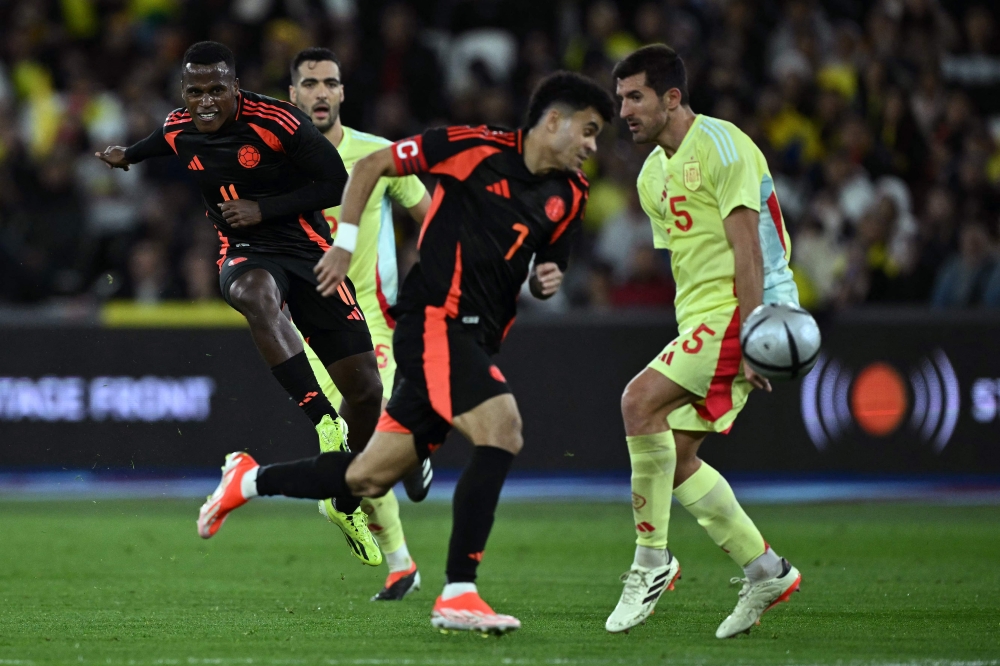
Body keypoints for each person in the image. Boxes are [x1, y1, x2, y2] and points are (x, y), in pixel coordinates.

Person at [197, 71, 615, 634]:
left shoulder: (572, 193)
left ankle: (247, 481)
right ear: (554, 121)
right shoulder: (472, 146)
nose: (592, 146)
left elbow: (552, 260)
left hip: (478, 334)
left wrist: (549, 276)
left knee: (368, 477)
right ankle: (459, 593)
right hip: (435, 323)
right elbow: (372, 167)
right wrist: (343, 243)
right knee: (502, 429)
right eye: (588, 131)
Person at [95, 41, 383, 566]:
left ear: (236, 87)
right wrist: (126, 156)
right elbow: (161, 140)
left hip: (308, 250)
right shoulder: (181, 125)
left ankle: (343, 504)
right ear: (184, 91)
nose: (204, 101)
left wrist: (264, 207)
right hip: (244, 252)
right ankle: (322, 419)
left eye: (215, 90)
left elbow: (336, 183)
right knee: (254, 293)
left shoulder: (280, 120)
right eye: (194, 91)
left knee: (366, 390)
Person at [605, 44, 802, 637]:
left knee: (638, 403)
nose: (625, 111)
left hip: (749, 310)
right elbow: (690, 262)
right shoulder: (649, 177)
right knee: (677, 458)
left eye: (635, 97)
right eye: (620, 99)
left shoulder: (722, 145)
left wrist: (753, 336)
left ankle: (651, 564)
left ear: (671, 97)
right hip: (703, 317)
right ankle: (766, 569)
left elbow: (748, 251)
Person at [288, 46, 433, 601]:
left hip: (376, 325)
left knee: (368, 434)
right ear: (293, 95)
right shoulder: (276, 167)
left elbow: (431, 218)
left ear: (343, 92)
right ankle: (400, 558)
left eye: (330, 82)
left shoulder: (378, 155)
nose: (321, 92)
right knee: (360, 440)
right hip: (311, 332)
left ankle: (397, 553)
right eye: (310, 83)